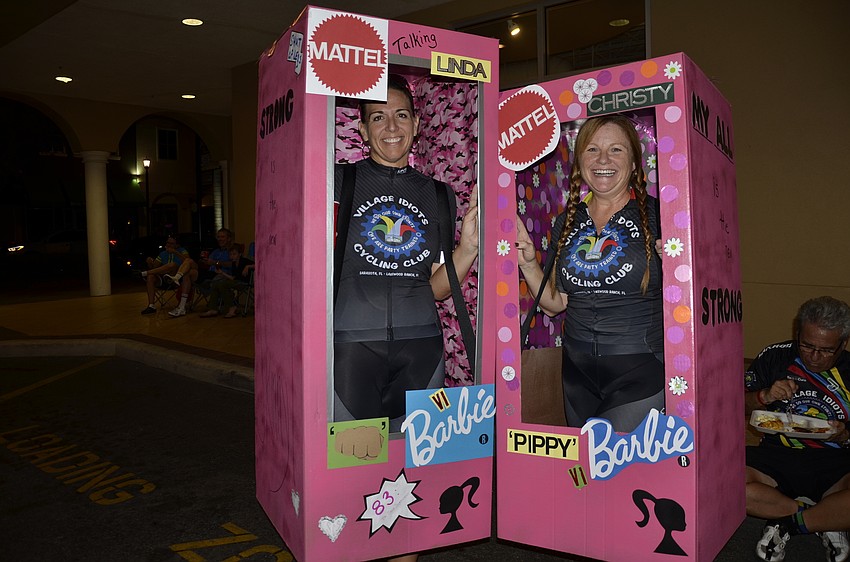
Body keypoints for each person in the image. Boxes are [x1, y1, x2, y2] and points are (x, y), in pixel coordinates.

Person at [332, 74, 478, 435]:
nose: (391, 127)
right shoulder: (335, 181)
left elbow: (440, 288)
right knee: (351, 471)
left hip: (422, 352)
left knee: (416, 473)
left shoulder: (440, 194)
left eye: (401, 115)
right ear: (364, 130)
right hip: (350, 350)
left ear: (415, 123)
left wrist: (469, 247)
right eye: (378, 117)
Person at [515, 114, 663, 433]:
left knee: (617, 471)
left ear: (636, 163)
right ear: (580, 163)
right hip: (576, 373)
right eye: (592, 150)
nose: (603, 159)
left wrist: (680, 261)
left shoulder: (664, 217)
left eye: (616, 150)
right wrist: (528, 262)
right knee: (583, 478)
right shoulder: (567, 221)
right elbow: (555, 303)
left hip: (639, 369)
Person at [745, 296, 850, 562]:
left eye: (826, 350)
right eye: (806, 345)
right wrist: (764, 396)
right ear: (797, 333)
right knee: (718, 482)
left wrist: (844, 434)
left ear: (843, 344)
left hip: (836, 460)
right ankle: (822, 517)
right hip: (774, 455)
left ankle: (787, 522)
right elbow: (735, 405)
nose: (814, 357)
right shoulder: (775, 356)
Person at [164, 228, 235, 317]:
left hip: (221, 274)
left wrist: (214, 262)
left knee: (188, 270)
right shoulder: (216, 251)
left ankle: (177, 281)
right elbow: (207, 263)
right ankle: (181, 307)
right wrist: (203, 261)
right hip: (209, 273)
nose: (220, 239)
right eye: (218, 237)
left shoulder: (233, 250)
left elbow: (234, 264)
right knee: (189, 264)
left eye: (222, 237)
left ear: (228, 238)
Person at [139, 235, 191, 315]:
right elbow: (154, 267)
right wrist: (150, 263)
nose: (168, 245)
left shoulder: (182, 251)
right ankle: (151, 305)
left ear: (177, 245)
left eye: (171, 243)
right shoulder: (163, 253)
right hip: (163, 278)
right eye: (167, 242)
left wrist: (175, 252)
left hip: (176, 279)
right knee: (151, 277)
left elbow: (188, 261)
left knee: (172, 265)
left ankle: (145, 273)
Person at [199, 244, 254, 318]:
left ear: (240, 254)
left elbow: (258, 264)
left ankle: (232, 307)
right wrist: (222, 273)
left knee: (222, 284)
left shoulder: (244, 261)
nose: (232, 256)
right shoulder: (234, 264)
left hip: (243, 283)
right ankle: (213, 308)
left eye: (234, 254)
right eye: (230, 254)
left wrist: (248, 266)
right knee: (217, 284)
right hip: (235, 282)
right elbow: (233, 278)